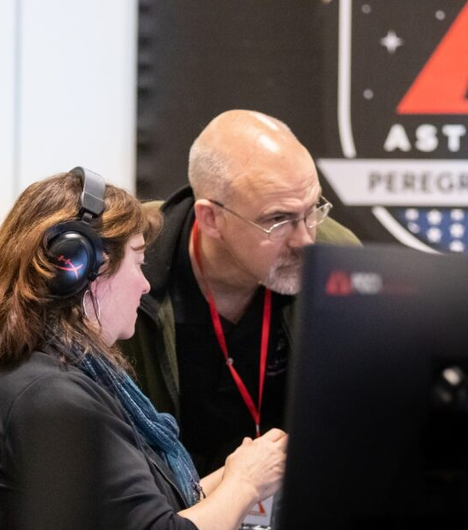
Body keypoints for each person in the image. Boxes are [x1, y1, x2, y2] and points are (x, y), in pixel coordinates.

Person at [0, 169, 287, 530]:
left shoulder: (49, 374)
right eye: (138, 262)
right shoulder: (49, 394)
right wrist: (245, 483)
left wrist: (238, 475)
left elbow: (149, 517)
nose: (144, 286)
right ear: (85, 269)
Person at [120, 110, 359, 478]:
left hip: (287, 505)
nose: (305, 240)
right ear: (211, 218)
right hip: (170, 510)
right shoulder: (127, 267)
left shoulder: (337, 263)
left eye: (312, 210)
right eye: (278, 220)